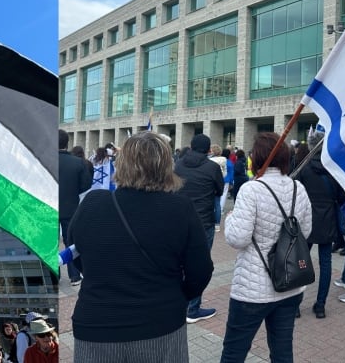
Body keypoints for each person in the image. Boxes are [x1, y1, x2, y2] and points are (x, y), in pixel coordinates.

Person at [69, 131, 213, 362]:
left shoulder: (93, 204)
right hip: (160, 321)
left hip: (97, 323)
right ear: (166, 166)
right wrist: (176, 295)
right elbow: (201, 270)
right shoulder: (179, 208)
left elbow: (77, 252)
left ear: (122, 163)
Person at [221, 131, 313, 362]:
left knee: (234, 351)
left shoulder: (251, 189)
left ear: (257, 158)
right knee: (282, 350)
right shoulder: (297, 188)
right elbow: (306, 231)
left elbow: (238, 238)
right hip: (289, 283)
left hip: (252, 289)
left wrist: (230, 218)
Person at [174, 133, 223, 323]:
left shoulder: (178, 165)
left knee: (178, 263)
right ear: (208, 149)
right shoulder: (212, 167)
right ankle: (192, 309)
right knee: (199, 265)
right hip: (203, 222)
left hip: (179, 221)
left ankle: (179, 302)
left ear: (191, 146)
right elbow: (219, 190)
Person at [295, 131, 339, 319]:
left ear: (311, 146)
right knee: (326, 263)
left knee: (300, 262)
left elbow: (295, 194)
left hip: (306, 219)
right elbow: (341, 196)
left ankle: (295, 304)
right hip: (327, 219)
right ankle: (320, 305)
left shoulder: (303, 169)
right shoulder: (334, 170)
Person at [58, 129, 92, 287]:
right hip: (70, 207)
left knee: (49, 242)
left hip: (48, 208)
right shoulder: (78, 163)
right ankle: (74, 275)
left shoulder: (44, 160)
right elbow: (85, 185)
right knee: (70, 241)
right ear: (67, 143)